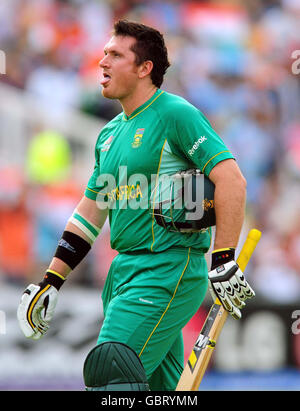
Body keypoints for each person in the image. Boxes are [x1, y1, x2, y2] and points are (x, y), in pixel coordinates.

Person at [17, 20, 254, 391]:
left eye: (115, 54)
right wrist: (52, 279)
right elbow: (89, 214)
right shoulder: (109, 134)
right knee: (162, 391)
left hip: (166, 269)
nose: (102, 61)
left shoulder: (176, 114)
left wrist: (223, 258)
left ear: (145, 69)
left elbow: (231, 179)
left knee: (110, 375)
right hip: (123, 274)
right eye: (105, 52)